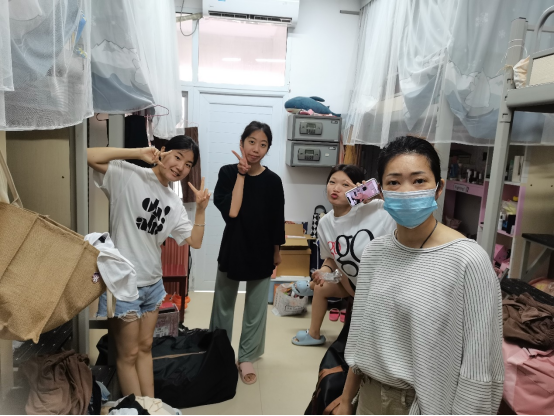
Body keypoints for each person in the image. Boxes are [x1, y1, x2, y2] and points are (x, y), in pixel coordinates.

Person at [337, 136, 504, 415]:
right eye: (393, 182)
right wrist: (346, 400)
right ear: (381, 192)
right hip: (369, 395)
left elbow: (480, 363)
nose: (406, 191)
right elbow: (361, 335)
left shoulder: (468, 260)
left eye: (419, 181)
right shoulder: (375, 252)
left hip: (423, 403)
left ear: (438, 189)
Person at [88, 136, 210, 398]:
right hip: (123, 284)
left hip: (153, 285)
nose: (181, 167)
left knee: (145, 348)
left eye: (188, 164)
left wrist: (201, 210)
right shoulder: (129, 175)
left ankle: (151, 405)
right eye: (178, 156)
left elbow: (195, 241)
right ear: (163, 151)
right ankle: (138, 409)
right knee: (128, 354)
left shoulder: (174, 202)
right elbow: (88, 156)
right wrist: (138, 152)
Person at [210, 121, 285, 386]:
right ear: (241, 142)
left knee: (256, 309)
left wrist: (276, 253)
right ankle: (220, 352)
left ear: (267, 149)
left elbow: (277, 221)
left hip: (262, 250)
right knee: (223, 305)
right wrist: (242, 175)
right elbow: (232, 211)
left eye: (263, 144)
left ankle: (247, 357)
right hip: (233, 247)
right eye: (251, 142)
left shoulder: (273, 181)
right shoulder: (227, 173)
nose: (256, 149)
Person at [292, 165, 396, 346]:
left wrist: (380, 195)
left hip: (380, 288)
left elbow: (406, 216)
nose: (336, 188)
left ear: (358, 188)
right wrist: (323, 272)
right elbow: (332, 258)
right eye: (332, 182)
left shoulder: (376, 209)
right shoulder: (325, 222)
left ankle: (309, 286)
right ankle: (314, 334)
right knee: (322, 287)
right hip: (351, 282)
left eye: (345, 185)